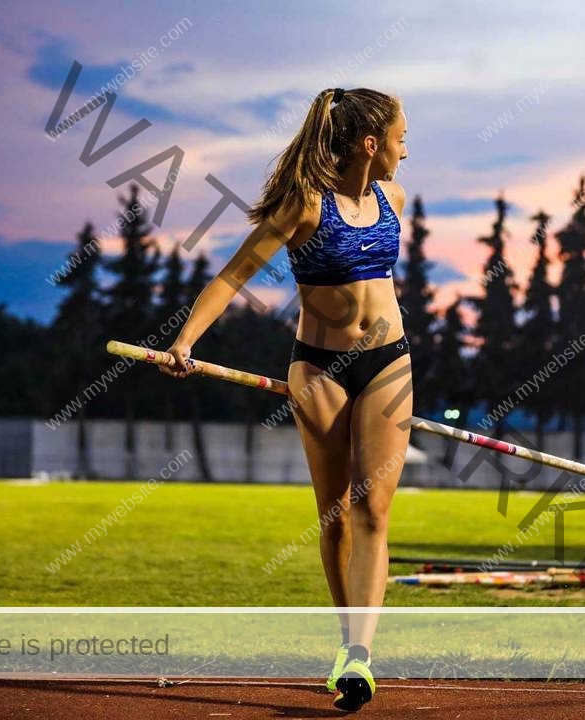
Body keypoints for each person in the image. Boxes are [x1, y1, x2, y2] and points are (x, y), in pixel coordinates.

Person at [163, 86, 410, 712]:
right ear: (370, 144)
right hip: (320, 369)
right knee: (334, 513)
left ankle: (361, 655)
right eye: (401, 140)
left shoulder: (392, 198)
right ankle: (346, 640)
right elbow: (233, 275)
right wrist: (185, 342)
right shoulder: (306, 206)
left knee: (373, 510)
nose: (407, 153)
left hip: (389, 363)